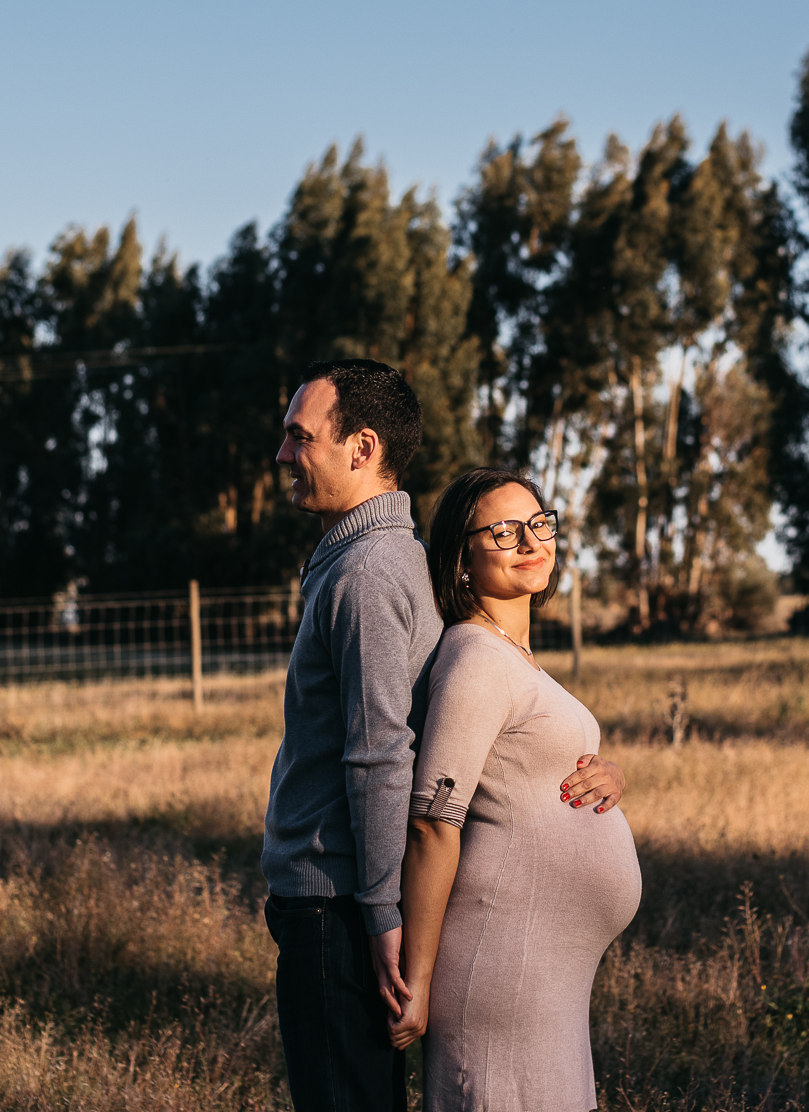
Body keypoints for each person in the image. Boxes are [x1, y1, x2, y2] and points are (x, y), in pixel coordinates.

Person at [262, 363, 627, 1112]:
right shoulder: (370, 568)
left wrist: (383, 918)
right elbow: (432, 764)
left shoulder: (369, 571)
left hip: (339, 901)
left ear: (362, 448)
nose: (283, 455)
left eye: (300, 437)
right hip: (358, 906)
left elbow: (383, 757)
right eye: (502, 530)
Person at [388, 467, 643, 1112]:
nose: (530, 541)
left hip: (545, 981)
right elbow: (434, 818)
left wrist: (610, 776)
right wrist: (414, 978)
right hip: (504, 973)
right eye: (502, 531)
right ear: (461, 558)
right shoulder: (475, 659)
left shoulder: (512, 661)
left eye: (538, 524)